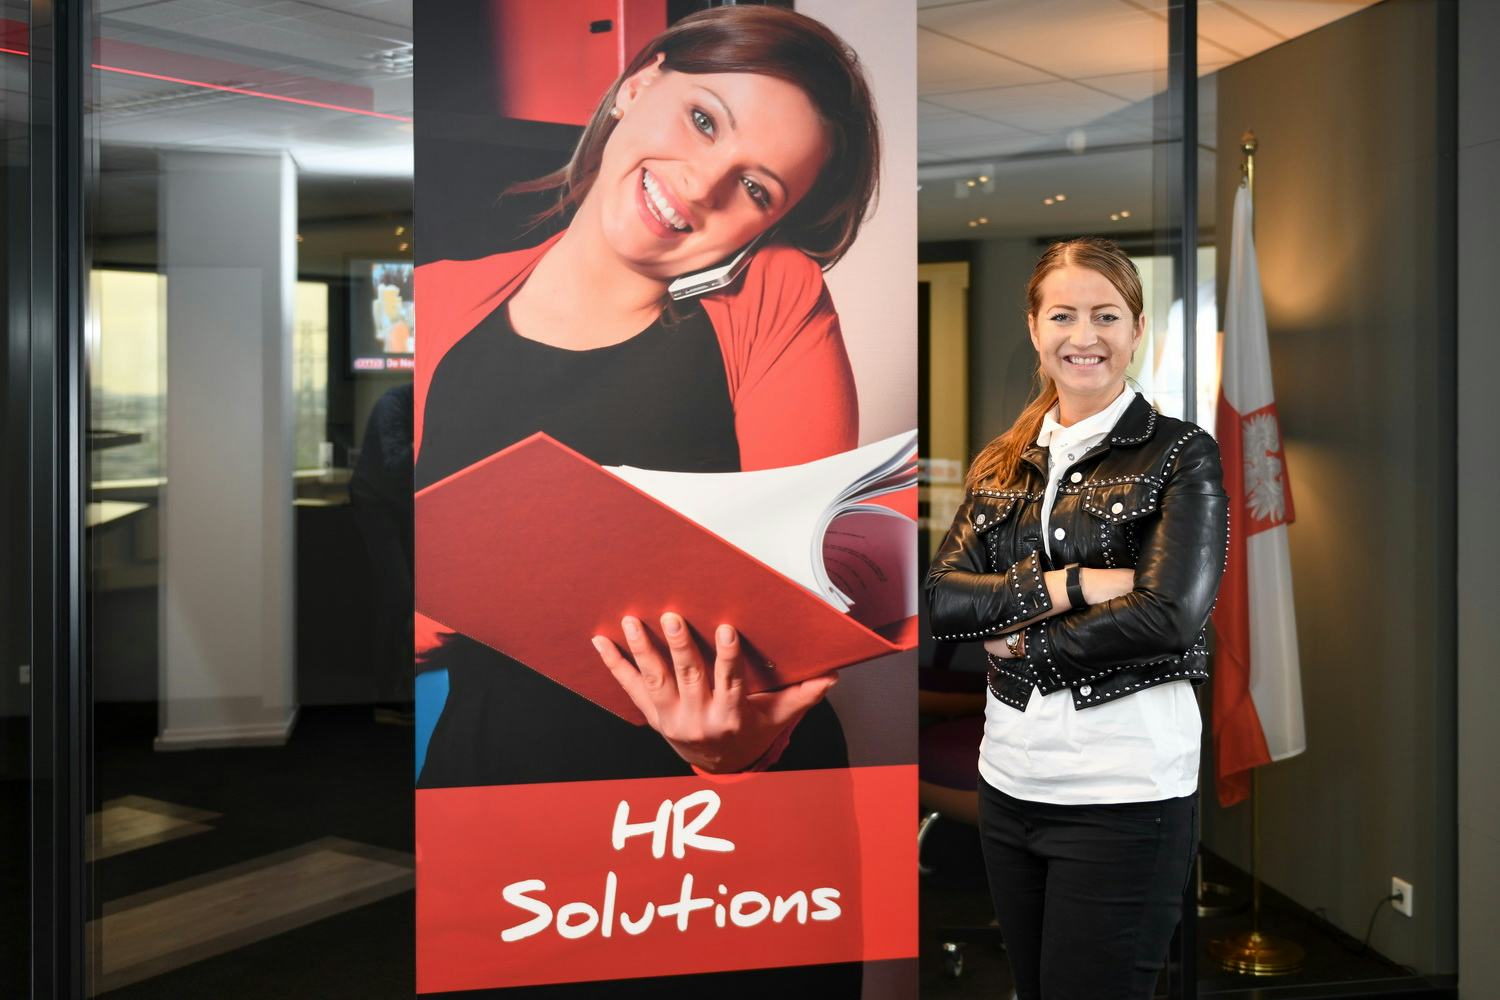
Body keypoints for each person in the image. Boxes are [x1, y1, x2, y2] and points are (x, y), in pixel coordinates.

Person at [414, 8, 879, 994]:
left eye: (756, 187)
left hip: (720, 813)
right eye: (704, 119)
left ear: (771, 222)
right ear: (639, 83)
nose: (702, 185)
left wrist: (740, 745)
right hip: (500, 782)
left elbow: (805, 606)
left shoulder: (771, 296)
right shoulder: (444, 300)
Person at [924, 237, 1229, 1000]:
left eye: (1106, 316)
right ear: (1035, 328)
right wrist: (1077, 583)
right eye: (1062, 315)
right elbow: (944, 600)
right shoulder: (1003, 460)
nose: (1083, 336)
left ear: (1137, 329)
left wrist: (1017, 637)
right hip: (1010, 780)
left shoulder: (1181, 455)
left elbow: (1168, 616)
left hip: (1124, 794)